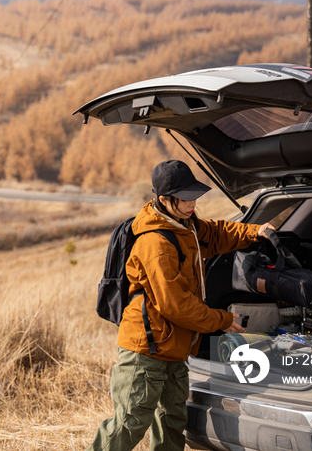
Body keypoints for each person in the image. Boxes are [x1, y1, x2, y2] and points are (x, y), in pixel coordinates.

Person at [87, 160, 275, 451]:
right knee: (130, 422)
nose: (193, 203)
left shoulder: (186, 226)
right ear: (164, 200)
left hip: (173, 348)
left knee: (173, 420)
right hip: (146, 351)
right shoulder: (155, 243)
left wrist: (255, 232)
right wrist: (222, 320)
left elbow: (216, 233)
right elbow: (175, 304)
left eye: (194, 196)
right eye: (186, 198)